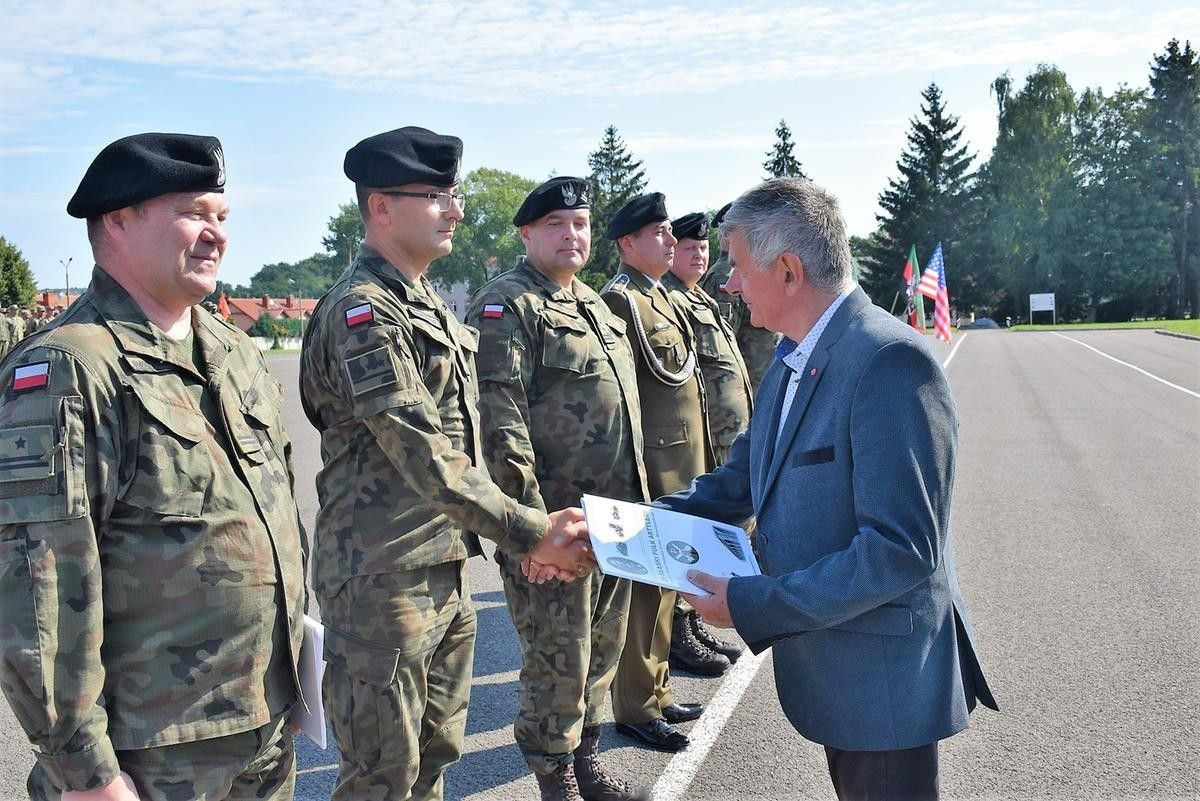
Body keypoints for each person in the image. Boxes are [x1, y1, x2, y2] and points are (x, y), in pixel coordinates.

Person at [663, 178, 997, 801]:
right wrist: (619, 530)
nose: (726, 283)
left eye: (735, 266)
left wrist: (751, 603)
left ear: (787, 270)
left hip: (883, 686)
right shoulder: (793, 357)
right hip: (842, 666)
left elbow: (899, 550)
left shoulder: (888, 363)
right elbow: (741, 479)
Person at [0, 133, 309, 800]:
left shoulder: (234, 352)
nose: (215, 235)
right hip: (150, 758)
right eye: (195, 212)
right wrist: (85, 772)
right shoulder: (67, 367)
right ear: (119, 218)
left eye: (222, 218)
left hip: (264, 727)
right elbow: (36, 587)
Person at [299, 127, 595, 801]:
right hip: (383, 583)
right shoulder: (362, 311)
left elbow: (471, 442)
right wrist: (531, 530)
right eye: (436, 196)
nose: (456, 210)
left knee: (433, 760)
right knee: (381, 777)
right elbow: (425, 455)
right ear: (381, 206)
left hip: (444, 570)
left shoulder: (424, 299)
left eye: (452, 195)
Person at [468, 177, 651, 801]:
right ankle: (556, 781)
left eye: (579, 224)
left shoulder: (595, 305)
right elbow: (500, 423)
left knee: (600, 652)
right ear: (527, 234)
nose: (571, 236)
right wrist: (531, 533)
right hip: (555, 528)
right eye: (556, 225)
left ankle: (588, 762)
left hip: (614, 521)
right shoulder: (507, 305)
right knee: (557, 661)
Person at [601, 193, 711, 753]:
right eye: (660, 233)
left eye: (672, 233)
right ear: (628, 244)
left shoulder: (660, 298)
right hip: (652, 468)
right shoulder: (621, 301)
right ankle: (636, 707)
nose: (671, 241)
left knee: (667, 586)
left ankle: (659, 689)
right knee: (644, 592)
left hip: (681, 465)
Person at [661, 211, 750, 677]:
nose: (697, 255)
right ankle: (678, 633)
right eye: (688, 247)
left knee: (704, 538)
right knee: (688, 537)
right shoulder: (670, 300)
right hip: (697, 435)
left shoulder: (699, 299)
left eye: (701, 248)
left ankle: (688, 624)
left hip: (722, 434)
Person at [697, 202, 778, 389]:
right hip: (758, 375)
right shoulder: (733, 271)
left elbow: (721, 339)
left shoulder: (725, 273)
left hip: (751, 378)